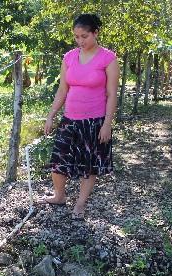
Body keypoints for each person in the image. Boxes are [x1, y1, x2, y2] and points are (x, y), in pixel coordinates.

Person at [43, 13, 119, 219]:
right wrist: (51, 115)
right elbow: (62, 89)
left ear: (96, 33)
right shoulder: (69, 57)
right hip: (70, 119)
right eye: (76, 37)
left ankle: (80, 204)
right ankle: (59, 196)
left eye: (84, 36)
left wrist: (107, 124)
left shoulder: (108, 58)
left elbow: (112, 94)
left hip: (94, 121)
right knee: (59, 159)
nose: (80, 41)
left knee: (89, 164)